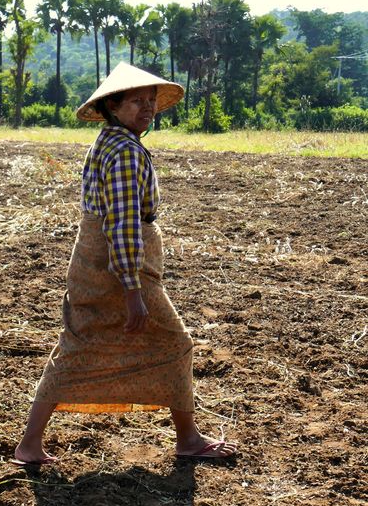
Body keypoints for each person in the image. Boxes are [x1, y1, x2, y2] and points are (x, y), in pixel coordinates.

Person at [13, 63, 238, 465]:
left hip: (93, 263)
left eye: (151, 100)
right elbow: (122, 224)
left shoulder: (109, 140)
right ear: (112, 106)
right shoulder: (126, 153)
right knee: (175, 343)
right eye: (137, 101)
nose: (147, 108)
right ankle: (188, 440)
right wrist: (133, 291)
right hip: (118, 269)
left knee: (79, 346)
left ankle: (29, 445)